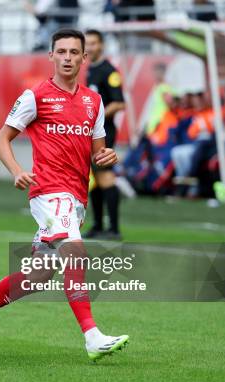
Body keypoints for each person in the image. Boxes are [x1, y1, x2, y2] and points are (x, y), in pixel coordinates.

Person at [0, 29, 128, 363]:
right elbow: (1, 139)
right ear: (51, 56)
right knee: (77, 254)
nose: (68, 58)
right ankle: (92, 337)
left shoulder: (94, 102)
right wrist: (17, 170)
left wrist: (107, 157)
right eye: (62, 52)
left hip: (75, 197)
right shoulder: (36, 96)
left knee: (40, 276)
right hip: (47, 191)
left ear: (84, 57)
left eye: (75, 52)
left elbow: (97, 153)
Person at [83, 29, 126, 240]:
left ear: (101, 45)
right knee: (95, 178)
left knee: (105, 176)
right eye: (87, 44)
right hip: (92, 133)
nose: (90, 47)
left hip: (104, 133)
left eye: (93, 43)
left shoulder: (109, 71)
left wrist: (96, 118)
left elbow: (119, 103)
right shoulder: (91, 69)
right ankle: (98, 225)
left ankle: (114, 228)